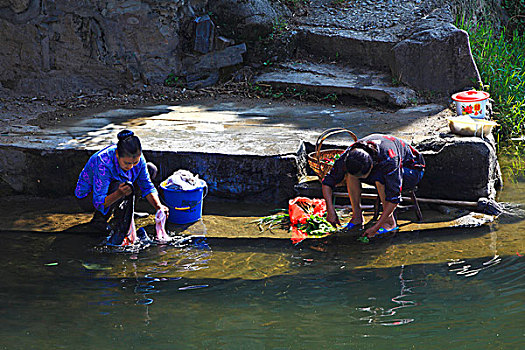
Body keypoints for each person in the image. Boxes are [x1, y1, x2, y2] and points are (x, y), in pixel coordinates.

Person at [321, 134, 425, 238]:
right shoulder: (349, 155)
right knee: (351, 175)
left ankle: (389, 222)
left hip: (412, 169)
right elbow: (327, 183)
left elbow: (394, 199)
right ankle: (357, 216)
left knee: (380, 178)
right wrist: (330, 210)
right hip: (381, 164)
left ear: (371, 166)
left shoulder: (389, 159)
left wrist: (376, 227)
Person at [75, 130, 169, 240]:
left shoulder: (137, 157)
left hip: (119, 188)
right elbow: (98, 201)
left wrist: (159, 206)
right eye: (127, 163)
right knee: (119, 184)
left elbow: (147, 186)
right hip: (88, 198)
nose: (131, 167)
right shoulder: (103, 163)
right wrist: (119, 193)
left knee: (150, 169)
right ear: (117, 155)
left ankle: (123, 215)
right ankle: (99, 220)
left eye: (135, 162)